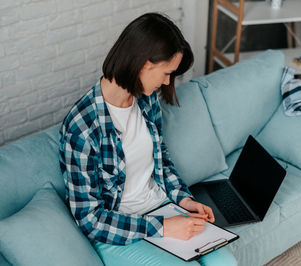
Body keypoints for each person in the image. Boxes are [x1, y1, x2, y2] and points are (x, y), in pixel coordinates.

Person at [59, 12, 237, 266]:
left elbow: (161, 160)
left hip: (163, 207)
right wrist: (162, 227)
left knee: (226, 263)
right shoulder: (82, 128)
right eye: (166, 73)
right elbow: (90, 219)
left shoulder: (146, 99)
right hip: (118, 229)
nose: (167, 82)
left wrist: (185, 200)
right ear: (144, 63)